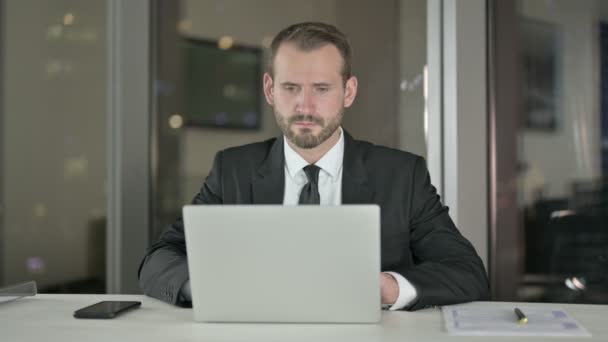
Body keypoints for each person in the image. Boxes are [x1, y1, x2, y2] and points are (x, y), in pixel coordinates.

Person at [138, 22, 489, 311]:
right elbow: (158, 260)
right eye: (291, 87)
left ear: (348, 92)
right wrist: (210, 286)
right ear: (270, 89)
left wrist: (391, 289)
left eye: (321, 89)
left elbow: (467, 272)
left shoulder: (402, 175)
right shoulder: (233, 169)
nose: (305, 106)